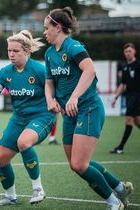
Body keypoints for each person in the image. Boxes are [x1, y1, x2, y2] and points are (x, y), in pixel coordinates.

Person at [43, 7, 133, 210]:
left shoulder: (73, 47)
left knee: (79, 164)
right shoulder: (49, 53)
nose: (45, 32)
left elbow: (90, 70)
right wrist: (50, 99)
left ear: (58, 27)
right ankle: (119, 187)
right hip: (69, 115)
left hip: (89, 109)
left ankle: (114, 203)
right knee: (77, 165)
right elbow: (49, 82)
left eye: (47, 28)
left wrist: (74, 96)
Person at [0, 30, 55, 206]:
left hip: (42, 116)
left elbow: (55, 91)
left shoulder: (39, 70)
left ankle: (38, 188)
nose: (11, 54)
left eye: (16, 51)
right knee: (1, 158)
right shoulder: (6, 72)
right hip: (19, 118)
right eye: (9, 51)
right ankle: (10, 196)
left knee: (23, 143)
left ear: (27, 51)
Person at [110, 43, 140, 154]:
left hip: (137, 96)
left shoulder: (138, 65)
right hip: (129, 96)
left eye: (130, 51)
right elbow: (123, 84)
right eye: (126, 51)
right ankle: (120, 147)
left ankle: (121, 147)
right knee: (137, 121)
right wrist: (115, 97)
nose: (128, 53)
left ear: (134, 51)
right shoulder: (125, 67)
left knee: (128, 119)